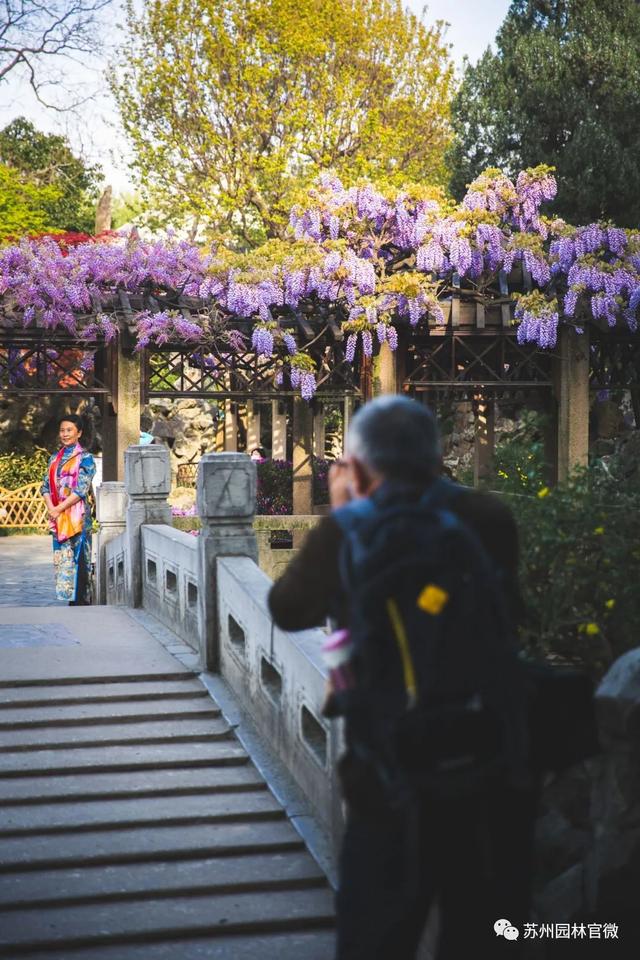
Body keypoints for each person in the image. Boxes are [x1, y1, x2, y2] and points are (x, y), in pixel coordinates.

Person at [269, 395, 537, 960]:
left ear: (360, 467)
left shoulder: (348, 528)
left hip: (388, 771)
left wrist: (345, 510)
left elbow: (287, 609)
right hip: (483, 759)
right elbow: (509, 618)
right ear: (438, 458)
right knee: (484, 934)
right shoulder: (489, 516)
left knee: (376, 935)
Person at [41, 414, 96, 606]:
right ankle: (68, 598)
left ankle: (81, 601)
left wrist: (59, 508)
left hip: (77, 518)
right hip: (58, 516)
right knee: (63, 558)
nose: (65, 434)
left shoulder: (86, 459)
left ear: (79, 433)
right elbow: (45, 487)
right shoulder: (54, 459)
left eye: (69, 430)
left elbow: (80, 490)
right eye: (62, 430)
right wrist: (52, 509)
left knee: (80, 558)